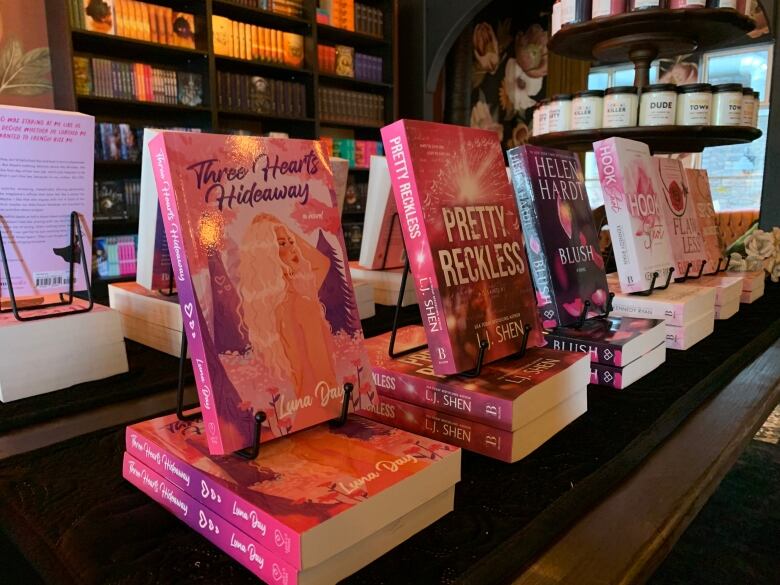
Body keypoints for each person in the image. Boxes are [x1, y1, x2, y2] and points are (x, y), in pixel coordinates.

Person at [237, 213, 338, 401]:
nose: (294, 247)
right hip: (322, 399)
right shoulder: (300, 303)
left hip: (301, 401)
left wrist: (275, 227)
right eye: (282, 244)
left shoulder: (266, 308)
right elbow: (319, 362)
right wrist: (335, 398)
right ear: (268, 253)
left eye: (291, 241)